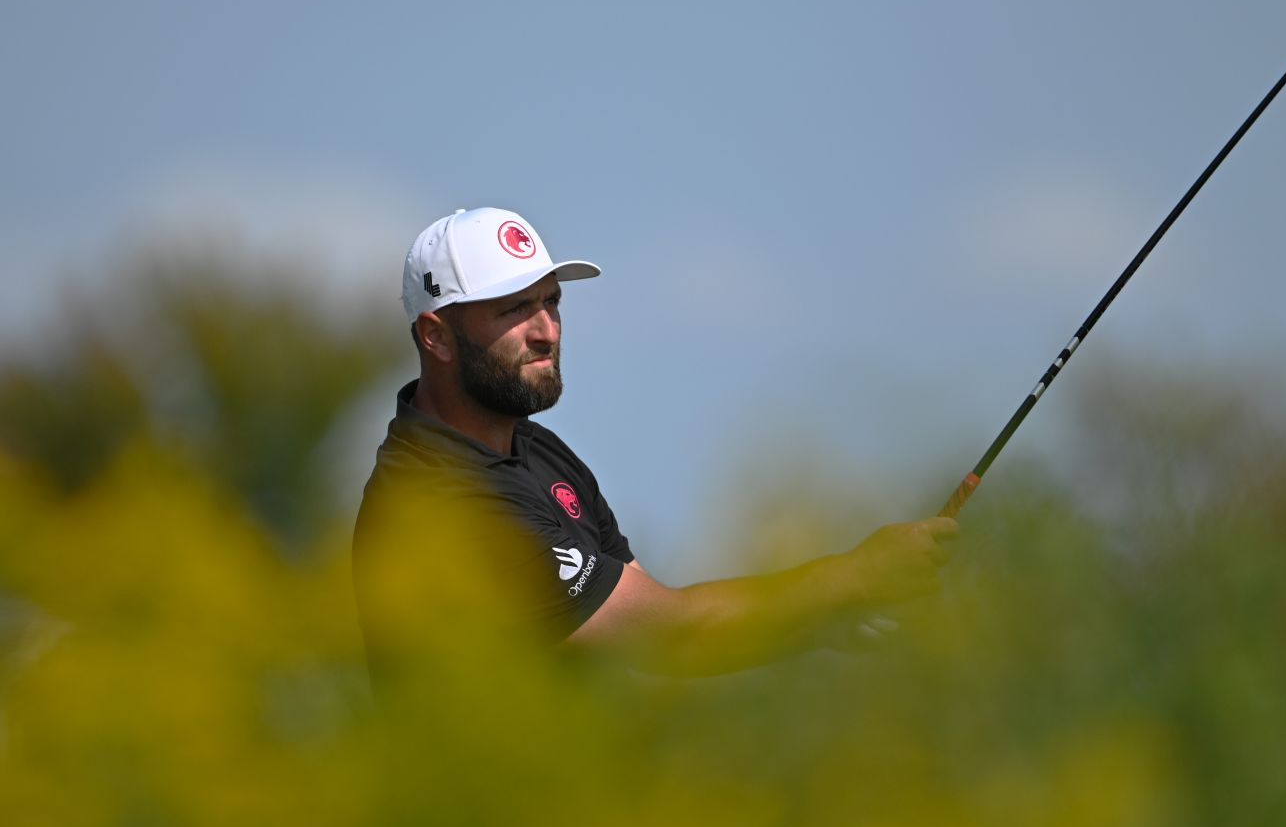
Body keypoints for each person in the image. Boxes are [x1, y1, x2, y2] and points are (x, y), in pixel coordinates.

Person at [353, 207, 958, 678]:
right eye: (515, 310)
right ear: (436, 336)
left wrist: (820, 617)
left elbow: (658, 634)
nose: (547, 332)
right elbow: (671, 631)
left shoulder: (539, 453)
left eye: (552, 303)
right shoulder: (440, 498)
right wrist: (852, 576)